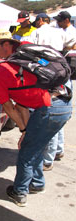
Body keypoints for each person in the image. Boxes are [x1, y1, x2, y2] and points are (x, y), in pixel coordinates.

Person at [0, 41, 73, 207]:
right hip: (62, 105)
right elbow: (20, 105)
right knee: (34, 146)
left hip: (49, 109)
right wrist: (25, 131)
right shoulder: (5, 64)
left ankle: (19, 192)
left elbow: (8, 108)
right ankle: (37, 184)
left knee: (26, 152)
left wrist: (23, 129)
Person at [33, 13, 75, 171]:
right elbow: (71, 44)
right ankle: (58, 151)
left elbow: (35, 57)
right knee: (59, 116)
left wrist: (43, 63)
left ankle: (47, 160)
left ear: (41, 21)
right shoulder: (60, 32)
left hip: (47, 75)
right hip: (62, 71)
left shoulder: (37, 33)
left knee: (49, 116)